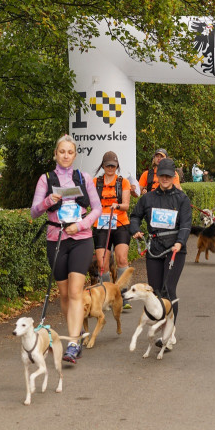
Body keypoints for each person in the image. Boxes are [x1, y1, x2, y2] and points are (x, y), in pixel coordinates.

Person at [30, 134, 102, 363]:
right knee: (63, 294)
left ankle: (72, 344)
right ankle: (78, 332)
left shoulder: (84, 178)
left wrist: (80, 224)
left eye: (70, 152)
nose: (66, 155)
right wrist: (48, 202)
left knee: (75, 292)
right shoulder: (46, 179)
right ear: (55, 154)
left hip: (81, 239)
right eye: (62, 151)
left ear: (75, 155)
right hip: (56, 239)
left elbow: (97, 209)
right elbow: (34, 211)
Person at [128, 157, 192, 328]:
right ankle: (160, 324)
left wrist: (180, 242)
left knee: (168, 289)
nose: (165, 179)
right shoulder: (147, 198)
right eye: (162, 175)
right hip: (154, 248)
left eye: (169, 176)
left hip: (175, 249)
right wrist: (135, 229)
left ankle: (170, 329)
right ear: (157, 175)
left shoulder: (182, 199)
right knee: (155, 291)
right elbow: (134, 216)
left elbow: (186, 224)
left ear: (174, 177)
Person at [93, 151, 132, 284]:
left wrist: (118, 206)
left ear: (117, 166)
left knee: (122, 259)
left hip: (121, 223)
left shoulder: (123, 182)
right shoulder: (95, 182)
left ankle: (123, 294)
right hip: (101, 224)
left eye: (113, 166)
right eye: (108, 166)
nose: (110, 168)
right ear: (103, 166)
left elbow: (126, 205)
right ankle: (106, 294)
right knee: (102, 264)